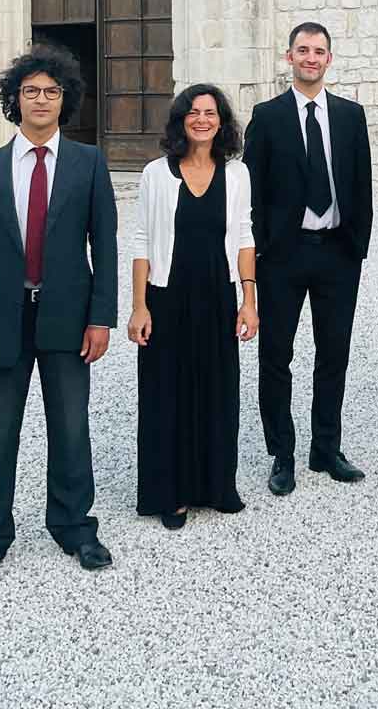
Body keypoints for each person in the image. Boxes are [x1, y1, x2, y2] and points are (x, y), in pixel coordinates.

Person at [0, 45, 117, 587]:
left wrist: (102, 318)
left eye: (51, 91)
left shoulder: (90, 163)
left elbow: (106, 246)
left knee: (71, 428)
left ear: (64, 99)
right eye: (31, 91)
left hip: (69, 318)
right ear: (14, 100)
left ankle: (75, 528)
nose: (41, 99)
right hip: (2, 322)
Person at [242, 22, 373, 496]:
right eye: (303, 50)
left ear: (329, 59)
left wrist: (358, 245)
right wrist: (259, 251)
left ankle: (326, 448)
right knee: (277, 355)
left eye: (319, 51)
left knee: (333, 354)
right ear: (289, 56)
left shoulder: (351, 116)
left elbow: (362, 184)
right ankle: (283, 453)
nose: (311, 58)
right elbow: (251, 190)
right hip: (284, 254)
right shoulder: (268, 115)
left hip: (338, 251)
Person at [128, 84, 258, 529]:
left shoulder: (237, 174)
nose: (202, 119)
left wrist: (249, 301)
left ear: (222, 121)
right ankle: (172, 494)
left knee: (218, 390)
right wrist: (139, 306)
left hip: (217, 296)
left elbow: (244, 237)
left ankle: (218, 486)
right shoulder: (155, 174)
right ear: (181, 120)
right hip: (167, 297)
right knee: (168, 394)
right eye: (193, 112)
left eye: (211, 112)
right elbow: (142, 241)